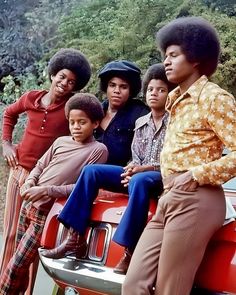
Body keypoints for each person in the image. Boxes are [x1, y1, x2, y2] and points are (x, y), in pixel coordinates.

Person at [122, 16, 236, 295]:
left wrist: (194, 175)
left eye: (173, 55)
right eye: (165, 56)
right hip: (169, 197)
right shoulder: (175, 102)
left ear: (195, 58)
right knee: (133, 284)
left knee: (169, 290)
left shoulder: (213, 98)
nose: (166, 62)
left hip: (197, 199)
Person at [41, 63, 175, 276]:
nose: (154, 94)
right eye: (151, 89)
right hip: (139, 171)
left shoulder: (176, 122)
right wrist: (132, 168)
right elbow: (135, 156)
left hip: (161, 176)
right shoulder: (141, 122)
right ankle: (75, 237)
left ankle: (129, 251)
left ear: (171, 94)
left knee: (139, 180)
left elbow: (173, 160)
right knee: (92, 171)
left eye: (161, 90)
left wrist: (142, 169)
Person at [0, 48, 91, 294]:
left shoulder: (70, 108)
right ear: (52, 74)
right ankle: (5, 287)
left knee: (34, 239)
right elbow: (9, 114)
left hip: (43, 179)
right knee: (10, 233)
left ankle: (28, 290)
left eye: (71, 81)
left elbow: (88, 120)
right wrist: (7, 144)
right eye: (62, 77)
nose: (64, 83)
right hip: (19, 171)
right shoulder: (31, 98)